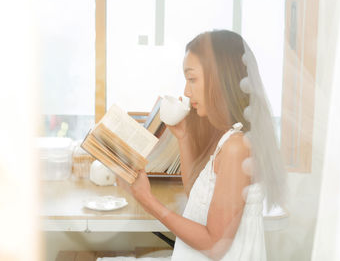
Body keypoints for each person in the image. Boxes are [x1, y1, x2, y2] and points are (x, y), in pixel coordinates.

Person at [99, 30, 286, 261]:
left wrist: (148, 200)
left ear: (220, 79)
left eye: (193, 79)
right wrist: (184, 137)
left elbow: (214, 245)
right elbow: (198, 199)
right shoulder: (232, 136)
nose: (187, 91)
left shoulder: (237, 147)